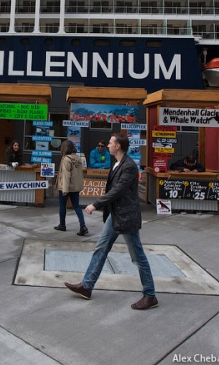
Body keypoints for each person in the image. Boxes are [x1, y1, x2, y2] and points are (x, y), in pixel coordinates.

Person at [65, 132, 158, 310]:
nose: (107, 145)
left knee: (137, 256)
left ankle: (150, 295)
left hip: (126, 217)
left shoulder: (129, 166)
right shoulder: (117, 164)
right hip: (116, 215)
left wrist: (95, 204)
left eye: (110, 143)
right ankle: (87, 286)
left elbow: (118, 191)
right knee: (101, 248)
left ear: (118, 146)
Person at [54, 140, 89, 236]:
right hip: (75, 187)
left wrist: (65, 189)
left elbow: (66, 175)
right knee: (76, 206)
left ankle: (62, 225)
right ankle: (83, 226)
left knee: (62, 205)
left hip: (66, 186)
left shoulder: (66, 159)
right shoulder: (78, 158)